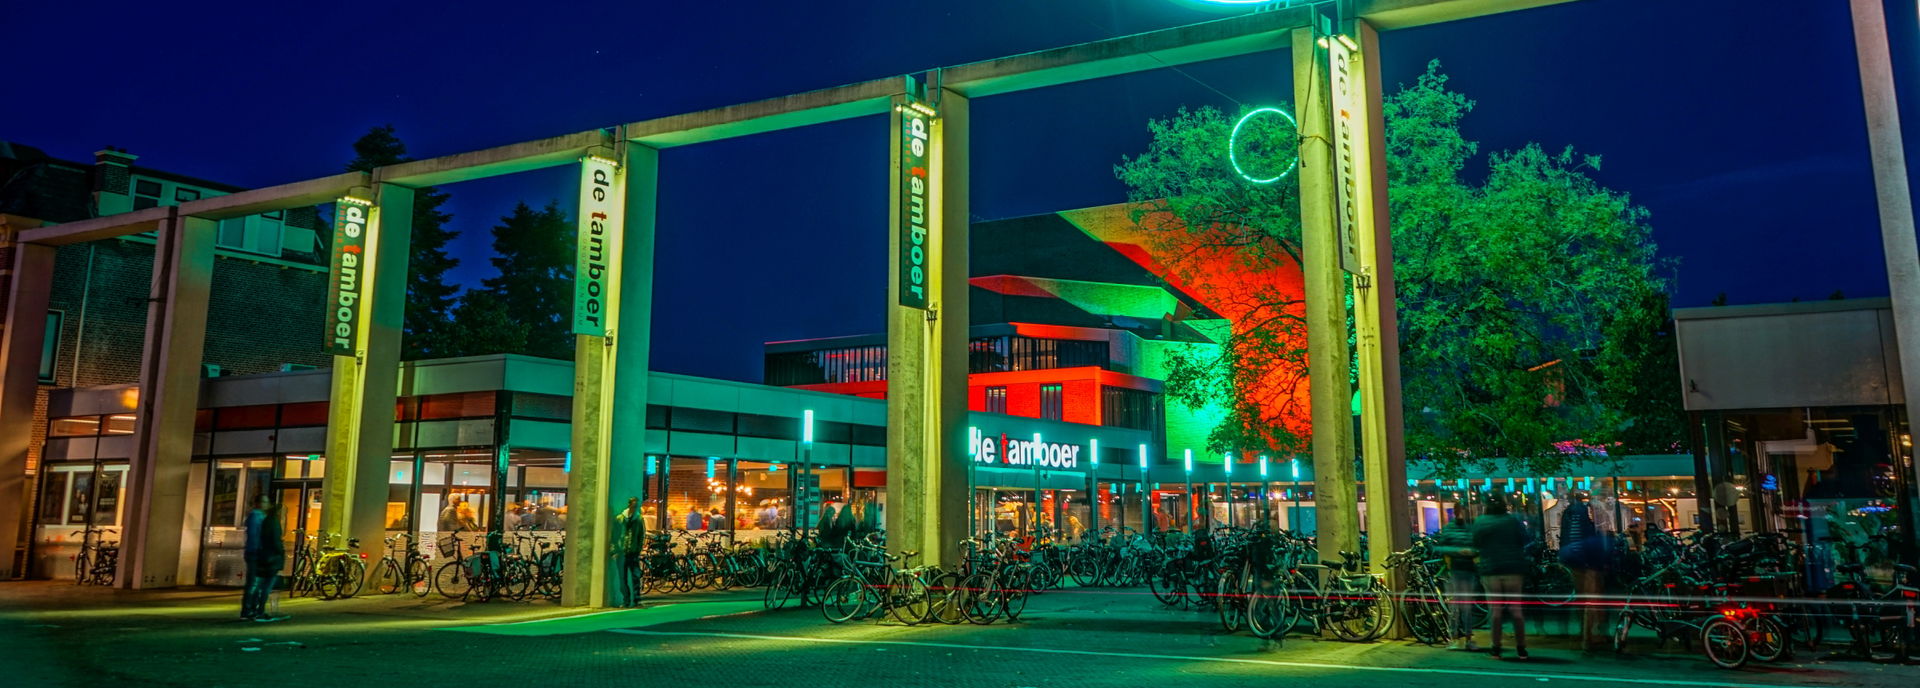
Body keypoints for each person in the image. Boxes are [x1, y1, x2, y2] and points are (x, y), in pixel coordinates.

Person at [1472, 494, 1531, 659]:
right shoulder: (1513, 521)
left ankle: (1496, 648)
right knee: (1516, 609)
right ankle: (1521, 649)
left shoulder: (1480, 522)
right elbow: (1524, 540)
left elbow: (1475, 543)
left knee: (1495, 610)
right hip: (1513, 568)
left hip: (1491, 569)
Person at [1558, 490, 1611, 652]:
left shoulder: (1568, 512)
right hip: (1588, 556)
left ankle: (1584, 632)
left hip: (1571, 556)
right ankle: (1590, 637)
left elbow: (1564, 534)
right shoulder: (1589, 510)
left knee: (1581, 596)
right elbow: (1598, 532)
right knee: (1593, 597)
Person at [1433, 510, 1480, 651]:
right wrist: (1461, 551)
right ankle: (1457, 638)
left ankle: (1461, 639)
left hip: (1461, 570)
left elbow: (1441, 547)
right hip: (1458, 570)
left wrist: (1470, 551)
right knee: (1459, 607)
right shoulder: (1464, 529)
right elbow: (1440, 547)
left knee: (1461, 607)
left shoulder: (1458, 529)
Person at [241, 495, 287, 622]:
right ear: (257, 503)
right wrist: (263, 550)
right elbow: (256, 535)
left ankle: (252, 610)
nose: (265, 504)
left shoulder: (261, 517)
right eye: (263, 502)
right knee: (254, 584)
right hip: (255, 553)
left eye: (266, 502)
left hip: (256, 553)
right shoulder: (257, 516)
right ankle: (249, 610)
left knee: (256, 583)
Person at [612, 497, 646, 607]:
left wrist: (638, 549)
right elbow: (614, 535)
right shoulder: (620, 518)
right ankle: (626, 600)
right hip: (622, 552)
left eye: (637, 506)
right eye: (634, 505)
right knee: (623, 578)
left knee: (635, 576)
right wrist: (614, 550)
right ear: (629, 505)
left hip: (633, 551)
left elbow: (641, 536)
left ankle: (636, 599)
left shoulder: (639, 519)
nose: (635, 507)